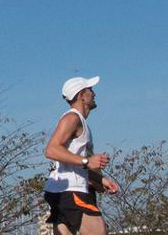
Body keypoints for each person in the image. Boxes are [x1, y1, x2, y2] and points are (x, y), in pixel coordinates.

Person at [43, 76, 120, 235]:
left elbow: (76, 163)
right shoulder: (72, 118)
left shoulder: (82, 123)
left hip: (63, 191)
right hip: (70, 191)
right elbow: (51, 150)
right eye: (90, 90)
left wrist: (101, 180)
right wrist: (87, 161)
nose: (94, 93)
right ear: (81, 96)